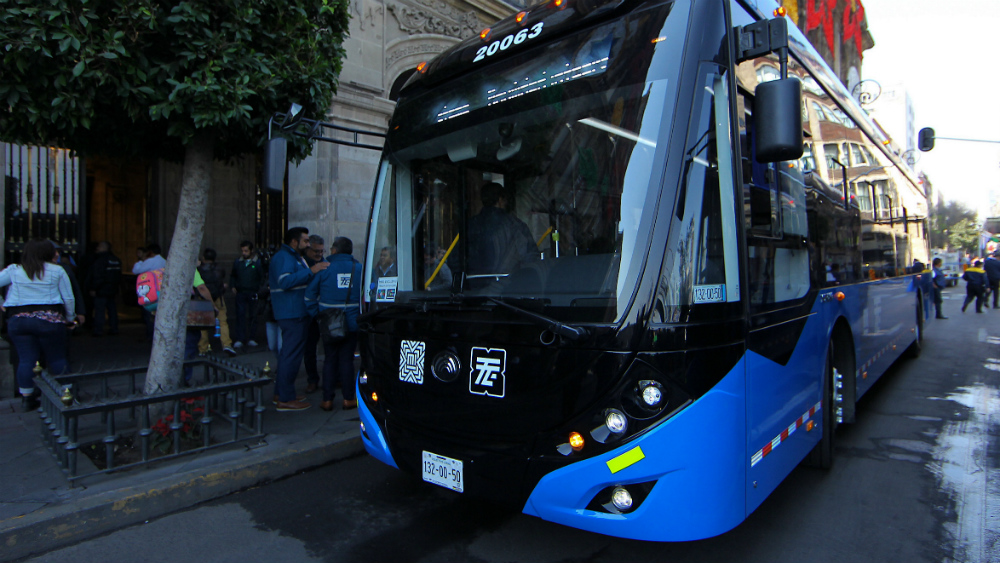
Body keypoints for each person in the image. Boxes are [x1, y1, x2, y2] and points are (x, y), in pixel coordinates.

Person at [0, 239, 79, 411]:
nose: (57, 254)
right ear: (46, 253)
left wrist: (2, 303)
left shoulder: (15, 270)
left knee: (26, 359)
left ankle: (27, 398)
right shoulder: (57, 270)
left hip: (19, 321)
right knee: (57, 358)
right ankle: (67, 394)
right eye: (54, 251)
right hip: (49, 320)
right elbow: (69, 298)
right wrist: (70, 319)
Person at [269, 227, 328, 411]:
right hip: (291, 312)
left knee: (289, 354)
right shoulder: (284, 257)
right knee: (291, 355)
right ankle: (285, 399)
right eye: (305, 241)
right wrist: (312, 270)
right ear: (294, 242)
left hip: (295, 312)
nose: (308, 244)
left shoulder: (292, 257)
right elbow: (285, 281)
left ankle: (282, 393)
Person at [305, 236, 362, 411]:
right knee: (346, 360)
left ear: (335, 250)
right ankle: (348, 399)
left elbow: (309, 297)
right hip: (351, 323)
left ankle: (327, 400)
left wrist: (318, 315)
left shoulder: (324, 268)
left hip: (329, 323)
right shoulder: (359, 268)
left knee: (329, 360)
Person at [467, 182, 539, 277]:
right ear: (500, 200)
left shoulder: (470, 225)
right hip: (507, 287)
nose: (506, 203)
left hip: (473, 287)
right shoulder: (515, 225)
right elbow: (530, 258)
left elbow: (455, 260)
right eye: (505, 200)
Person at [196, 248, 236, 356]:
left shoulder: (199, 269)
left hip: (203, 299)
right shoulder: (220, 269)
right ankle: (226, 344)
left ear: (203, 258)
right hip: (218, 297)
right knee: (223, 321)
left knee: (202, 324)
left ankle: (203, 348)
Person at [183, 266, 218, 385]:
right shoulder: (189, 268)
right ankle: (185, 379)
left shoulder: (167, 266)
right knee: (189, 345)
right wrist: (212, 305)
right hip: (186, 312)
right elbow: (202, 288)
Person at [303, 235, 327, 394]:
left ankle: (332, 378)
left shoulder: (325, 263)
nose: (319, 254)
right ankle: (312, 379)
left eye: (321, 251)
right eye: (316, 251)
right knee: (309, 348)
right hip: (309, 311)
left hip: (324, 310)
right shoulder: (303, 264)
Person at [230, 240, 264, 349]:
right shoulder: (238, 262)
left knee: (253, 316)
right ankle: (240, 338)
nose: (243, 253)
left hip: (253, 291)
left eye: (246, 251)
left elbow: (262, 277)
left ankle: (251, 338)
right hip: (241, 291)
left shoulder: (257, 263)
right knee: (240, 315)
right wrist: (233, 286)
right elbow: (233, 275)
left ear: (251, 250)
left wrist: (260, 289)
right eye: (242, 251)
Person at [85, 241, 122, 336]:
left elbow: (98, 276)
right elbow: (118, 276)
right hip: (112, 289)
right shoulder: (116, 260)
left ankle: (98, 330)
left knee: (100, 311)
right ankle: (114, 328)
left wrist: (93, 288)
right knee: (112, 310)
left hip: (101, 289)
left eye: (99, 247)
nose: (97, 248)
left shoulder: (100, 260)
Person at [133, 244, 166, 341]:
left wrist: (140, 261)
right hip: (162, 290)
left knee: (149, 313)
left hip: (150, 290)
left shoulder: (149, 261)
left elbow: (136, 270)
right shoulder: (164, 261)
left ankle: (150, 335)